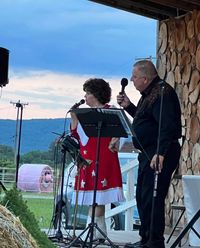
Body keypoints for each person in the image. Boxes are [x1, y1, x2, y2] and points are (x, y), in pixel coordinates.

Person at [117, 60, 182, 248]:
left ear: (145, 78)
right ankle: (145, 238)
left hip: (161, 151)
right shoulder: (149, 94)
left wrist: (160, 153)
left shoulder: (162, 93)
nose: (131, 79)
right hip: (148, 152)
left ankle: (154, 242)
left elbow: (167, 126)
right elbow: (147, 119)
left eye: (135, 77)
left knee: (153, 198)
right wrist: (129, 106)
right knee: (142, 196)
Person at [70, 78, 125, 241]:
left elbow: (122, 134)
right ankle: (98, 232)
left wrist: (116, 140)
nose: (85, 97)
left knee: (99, 199)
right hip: (87, 160)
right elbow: (79, 139)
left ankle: (92, 233)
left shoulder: (111, 111)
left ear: (96, 95)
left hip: (104, 158)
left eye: (88, 93)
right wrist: (74, 118)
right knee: (93, 200)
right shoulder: (84, 115)